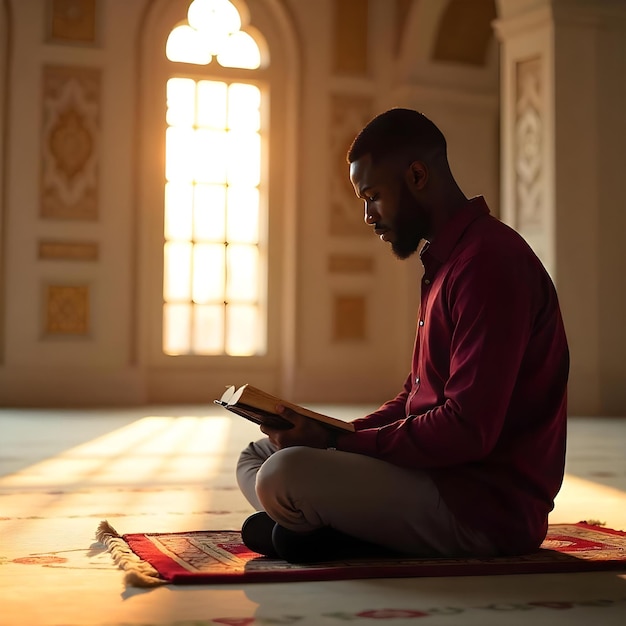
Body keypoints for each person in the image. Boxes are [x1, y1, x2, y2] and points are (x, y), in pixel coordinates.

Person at [236, 108, 569, 563]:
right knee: (257, 455)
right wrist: (335, 431)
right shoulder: (447, 262)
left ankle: (318, 527)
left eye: (372, 196)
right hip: (433, 477)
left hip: (480, 507)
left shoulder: (489, 263)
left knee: (282, 473)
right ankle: (326, 530)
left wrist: (339, 445)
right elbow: (416, 397)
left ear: (416, 175)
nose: (368, 216)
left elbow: (468, 431)